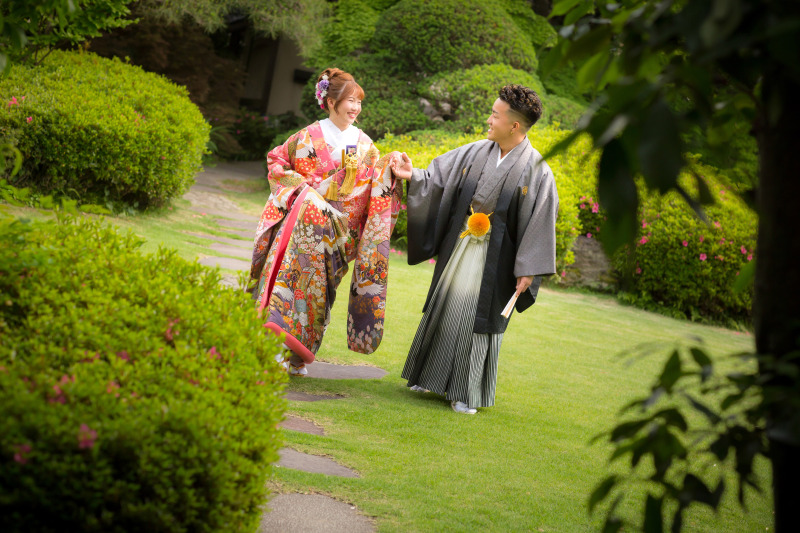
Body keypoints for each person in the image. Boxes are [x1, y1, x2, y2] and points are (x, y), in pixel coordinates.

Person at [391, 84, 558, 414]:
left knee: (478, 321)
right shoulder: (476, 151)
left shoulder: (538, 170)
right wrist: (414, 176)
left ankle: (466, 393)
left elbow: (540, 221)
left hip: (497, 258)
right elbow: (439, 178)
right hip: (464, 244)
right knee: (445, 307)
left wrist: (528, 269)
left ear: (514, 125)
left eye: (495, 115)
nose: (489, 119)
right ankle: (430, 376)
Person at [250, 68, 402, 376]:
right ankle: (277, 348)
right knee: (290, 286)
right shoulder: (307, 136)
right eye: (349, 101)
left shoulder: (365, 145)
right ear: (329, 101)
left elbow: (376, 182)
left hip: (336, 234)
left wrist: (392, 165)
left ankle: (297, 356)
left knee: (320, 296)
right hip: (301, 229)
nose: (355, 108)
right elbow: (276, 162)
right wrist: (306, 191)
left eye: (358, 102)